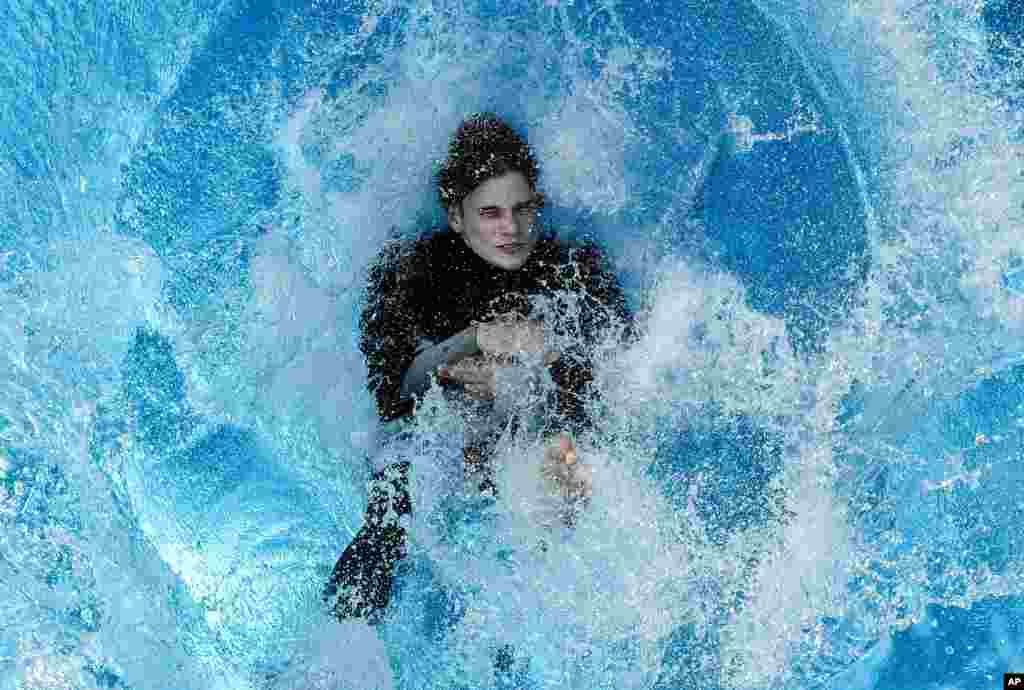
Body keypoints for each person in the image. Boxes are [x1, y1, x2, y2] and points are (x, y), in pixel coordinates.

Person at [323, 113, 636, 625]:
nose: (510, 229)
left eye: (522, 208)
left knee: (568, 483)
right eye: (489, 213)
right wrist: (473, 339)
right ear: (455, 215)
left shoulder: (575, 270)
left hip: (532, 433)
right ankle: (334, 645)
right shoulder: (411, 271)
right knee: (392, 506)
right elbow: (393, 396)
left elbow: (612, 371)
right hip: (435, 437)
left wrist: (528, 379)